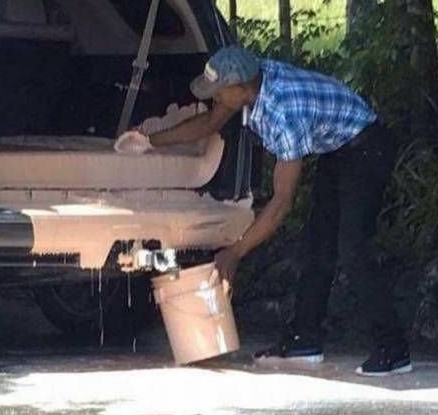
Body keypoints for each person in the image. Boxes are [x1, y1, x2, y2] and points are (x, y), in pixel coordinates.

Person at [116, 45, 411, 377]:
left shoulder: (283, 113)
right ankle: (304, 340)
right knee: (318, 245)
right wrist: (149, 140)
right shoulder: (250, 83)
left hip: (366, 148)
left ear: (242, 88)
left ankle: (394, 350)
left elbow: (282, 203)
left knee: (353, 248)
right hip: (337, 148)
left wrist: (235, 252)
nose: (214, 98)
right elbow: (209, 123)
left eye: (218, 91)